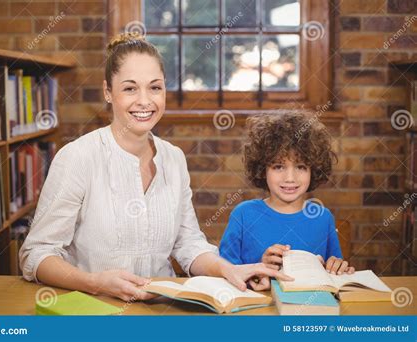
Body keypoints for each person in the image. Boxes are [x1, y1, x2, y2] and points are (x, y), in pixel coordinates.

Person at [19, 33, 292, 302]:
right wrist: (95, 283)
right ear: (108, 92)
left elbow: (187, 243)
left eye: (155, 87)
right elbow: (37, 254)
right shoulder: (78, 157)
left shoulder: (173, 158)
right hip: (95, 310)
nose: (144, 101)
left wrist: (228, 269)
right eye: (129, 88)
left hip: (159, 309)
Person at [220, 113, 355, 275]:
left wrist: (337, 267)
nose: (290, 178)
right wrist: (259, 268)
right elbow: (226, 273)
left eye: (301, 167)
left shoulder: (323, 217)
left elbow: (333, 273)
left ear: (314, 170)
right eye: (278, 166)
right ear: (262, 170)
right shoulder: (243, 214)